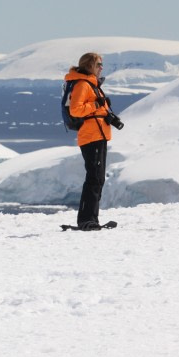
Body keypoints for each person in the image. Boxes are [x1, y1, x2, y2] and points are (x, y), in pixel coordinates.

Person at [65, 52, 120, 230]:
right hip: (91, 136)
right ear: (89, 66)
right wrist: (96, 105)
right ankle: (86, 220)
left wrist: (107, 114)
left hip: (99, 135)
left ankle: (91, 219)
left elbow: (96, 109)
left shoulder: (93, 84)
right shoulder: (83, 84)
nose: (101, 67)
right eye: (98, 64)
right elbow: (76, 110)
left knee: (97, 179)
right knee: (94, 179)